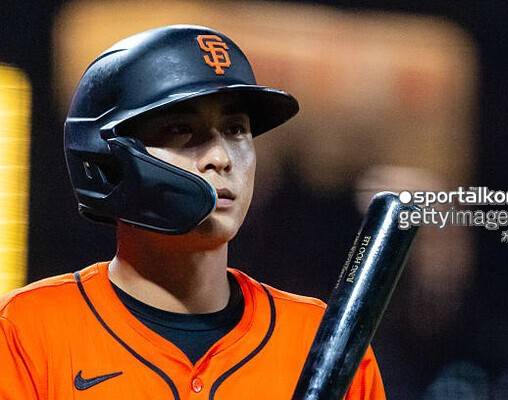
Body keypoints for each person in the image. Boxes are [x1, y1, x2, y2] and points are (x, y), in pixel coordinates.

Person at [0, 25, 385, 399]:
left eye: (235, 130)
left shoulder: (323, 341)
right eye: (181, 130)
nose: (221, 158)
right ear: (107, 160)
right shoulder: (26, 331)